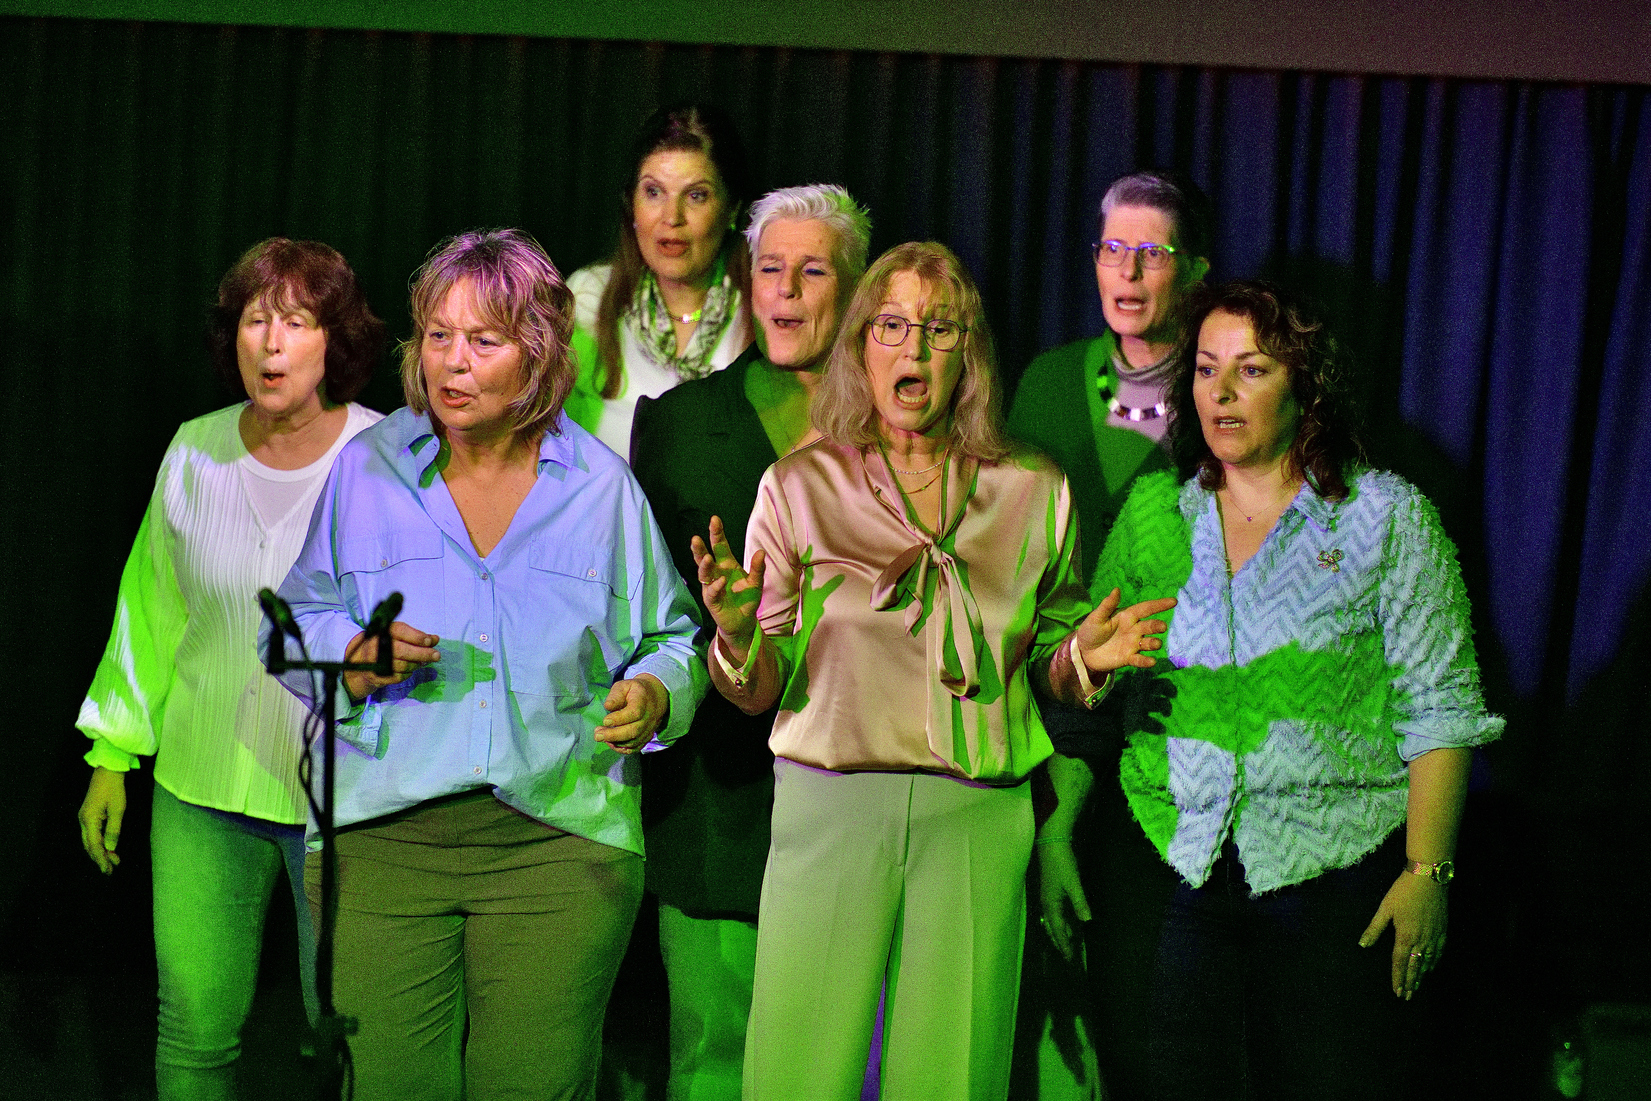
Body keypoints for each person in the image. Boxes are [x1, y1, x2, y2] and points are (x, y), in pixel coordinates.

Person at [692, 241, 1176, 1100]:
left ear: (968, 352)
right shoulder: (801, 485)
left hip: (975, 817)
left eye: (938, 328)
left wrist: (1083, 660)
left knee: (953, 1077)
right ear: (860, 346)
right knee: (797, 1075)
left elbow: (1048, 665)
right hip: (831, 807)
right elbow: (758, 686)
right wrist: (734, 635)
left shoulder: (1032, 486)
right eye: (889, 325)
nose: (912, 347)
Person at [266, 229, 706, 1100]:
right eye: (438, 336)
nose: (452, 362)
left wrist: (656, 693)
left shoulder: (599, 489)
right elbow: (290, 626)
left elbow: (673, 636)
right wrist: (350, 654)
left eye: (483, 340)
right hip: (382, 838)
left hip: (557, 844)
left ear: (536, 355)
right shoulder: (368, 469)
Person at [1038, 280, 1503, 1100]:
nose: (1220, 391)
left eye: (1250, 369)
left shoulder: (1385, 518)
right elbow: (1087, 703)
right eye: (1204, 369)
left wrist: (1427, 873)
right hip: (1167, 862)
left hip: (1330, 874)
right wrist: (1060, 813)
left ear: (1306, 386)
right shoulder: (1151, 511)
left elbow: (1441, 708)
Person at [74, 238, 385, 1100]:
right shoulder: (194, 450)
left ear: (335, 339)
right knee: (194, 1029)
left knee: (349, 1037)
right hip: (201, 789)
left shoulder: (387, 458)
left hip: (343, 804)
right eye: (255, 320)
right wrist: (111, 754)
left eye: (296, 321)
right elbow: (151, 611)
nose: (271, 343)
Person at [631, 183, 872, 1101]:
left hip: (856, 803)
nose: (787, 290)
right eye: (770, 268)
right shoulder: (678, 423)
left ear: (856, 288)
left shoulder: (898, 434)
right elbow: (646, 616)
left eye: (813, 271)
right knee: (713, 1059)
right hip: (717, 803)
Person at [1007, 170, 1213, 1100]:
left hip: (1166, 735)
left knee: (1145, 1012)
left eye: (1151, 252)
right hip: (1045, 713)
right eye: (1110, 249)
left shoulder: (1220, 392)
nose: (1126, 272)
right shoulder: (1051, 381)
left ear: (1194, 270)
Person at [565, 102, 755, 458]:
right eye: (654, 192)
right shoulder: (588, 296)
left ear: (731, 209)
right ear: (631, 204)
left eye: (696, 195)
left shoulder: (762, 309)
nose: (672, 217)